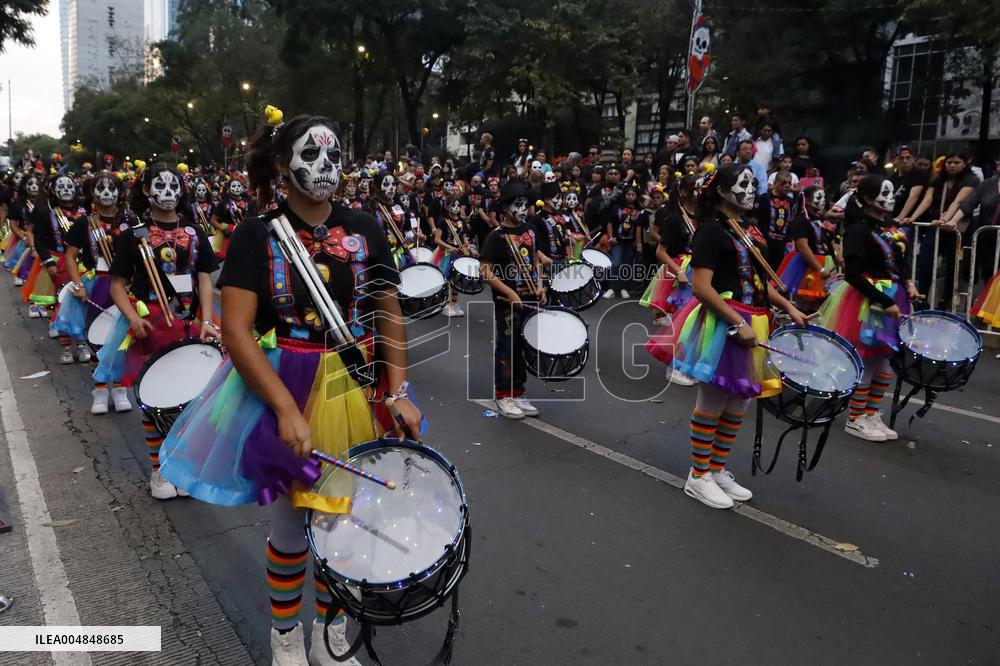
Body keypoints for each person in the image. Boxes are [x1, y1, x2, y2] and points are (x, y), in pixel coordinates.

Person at [157, 114, 422, 666]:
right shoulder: (257, 234)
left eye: (334, 153)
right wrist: (284, 407)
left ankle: (331, 630)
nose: (325, 167)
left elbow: (388, 314)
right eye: (310, 154)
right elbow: (236, 330)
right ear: (282, 163)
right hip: (287, 379)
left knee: (341, 516)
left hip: (354, 382)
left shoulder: (365, 228)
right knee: (291, 518)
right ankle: (285, 637)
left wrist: (397, 392)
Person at [646, 164, 806, 509]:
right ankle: (699, 475)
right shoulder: (710, 231)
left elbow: (762, 282)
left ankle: (717, 468)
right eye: (742, 183)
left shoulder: (749, 229)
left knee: (740, 401)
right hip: (725, 323)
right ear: (720, 190)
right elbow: (702, 288)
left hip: (757, 319)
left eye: (752, 183)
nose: (750, 189)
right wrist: (737, 322)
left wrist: (789, 308)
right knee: (714, 401)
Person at [93, 163, 220, 499]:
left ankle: (183, 467)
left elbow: (205, 277)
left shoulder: (194, 233)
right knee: (157, 399)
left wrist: (207, 318)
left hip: (189, 321)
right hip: (151, 323)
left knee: (193, 399)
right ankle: (159, 471)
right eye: (159, 186)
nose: (167, 192)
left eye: (173, 186)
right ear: (146, 191)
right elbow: (117, 285)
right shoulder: (133, 235)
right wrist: (132, 318)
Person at [816, 174, 921, 442]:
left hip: (893, 295)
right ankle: (855, 417)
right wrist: (883, 300)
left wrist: (908, 284)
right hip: (868, 300)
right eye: (882, 193)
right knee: (867, 358)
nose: (889, 199)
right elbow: (852, 273)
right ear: (866, 198)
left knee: (886, 360)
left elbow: (900, 262)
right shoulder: (858, 229)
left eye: (890, 193)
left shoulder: (890, 226)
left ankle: (871, 412)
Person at [58, 173, 135, 414]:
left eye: (111, 188)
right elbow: (69, 256)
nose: (106, 193)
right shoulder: (85, 222)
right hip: (98, 284)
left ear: (120, 192)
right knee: (97, 337)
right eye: (100, 188)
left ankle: (120, 389)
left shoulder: (131, 220)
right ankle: (100, 390)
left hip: (125, 286)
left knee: (123, 338)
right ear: (92, 192)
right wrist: (78, 284)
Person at [479, 180, 545, 420]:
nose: (523, 208)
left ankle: (518, 392)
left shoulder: (530, 230)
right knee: (507, 348)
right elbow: (485, 271)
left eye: (525, 204)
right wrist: (509, 292)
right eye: (518, 204)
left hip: (529, 300)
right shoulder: (496, 237)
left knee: (523, 347)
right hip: (507, 303)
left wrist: (540, 285)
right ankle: (504, 395)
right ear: (506, 207)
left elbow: (535, 260)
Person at [28, 173, 89, 360]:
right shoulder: (46, 212)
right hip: (59, 263)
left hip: (83, 265)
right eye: (60, 187)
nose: (65, 190)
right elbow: (40, 239)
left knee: (83, 304)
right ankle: (67, 348)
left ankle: (82, 344)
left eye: (69, 186)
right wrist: (48, 261)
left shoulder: (85, 213)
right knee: (62, 304)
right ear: (53, 190)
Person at [908, 151, 978, 309]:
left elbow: (958, 202)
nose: (952, 165)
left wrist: (947, 220)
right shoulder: (938, 179)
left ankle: (945, 301)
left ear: (965, 164)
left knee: (952, 266)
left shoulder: (971, 179)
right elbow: (927, 200)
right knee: (925, 262)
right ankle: (921, 297)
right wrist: (911, 218)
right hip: (936, 226)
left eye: (957, 162)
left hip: (957, 229)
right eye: (949, 162)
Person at [776, 185, 838, 313]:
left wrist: (838, 258)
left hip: (826, 265)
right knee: (809, 306)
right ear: (808, 201)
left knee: (826, 305)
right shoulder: (801, 221)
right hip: (810, 268)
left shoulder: (819, 220)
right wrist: (819, 268)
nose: (822, 200)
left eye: (824, 197)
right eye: (819, 197)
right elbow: (803, 247)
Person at [604, 179, 642, 298]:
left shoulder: (639, 211)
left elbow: (639, 227)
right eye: (628, 194)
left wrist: (638, 241)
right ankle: (611, 288)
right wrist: (611, 237)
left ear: (636, 196)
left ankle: (623, 288)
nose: (630, 197)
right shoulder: (617, 208)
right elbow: (609, 222)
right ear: (624, 195)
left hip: (630, 242)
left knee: (627, 265)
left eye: (633, 194)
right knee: (615, 264)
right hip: (618, 241)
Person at [752, 170, 795, 269]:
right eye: (784, 182)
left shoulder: (791, 201)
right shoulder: (765, 198)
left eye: (789, 183)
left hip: (782, 246)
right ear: (775, 183)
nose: (787, 185)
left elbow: (791, 223)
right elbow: (754, 221)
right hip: (765, 243)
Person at [890, 146, 929, 223]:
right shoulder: (891, 177)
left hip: (909, 220)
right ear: (894, 160)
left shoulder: (919, 175)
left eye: (908, 158)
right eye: (901, 158)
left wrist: (900, 217)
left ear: (914, 159)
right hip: (892, 216)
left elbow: (913, 197)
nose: (905, 161)